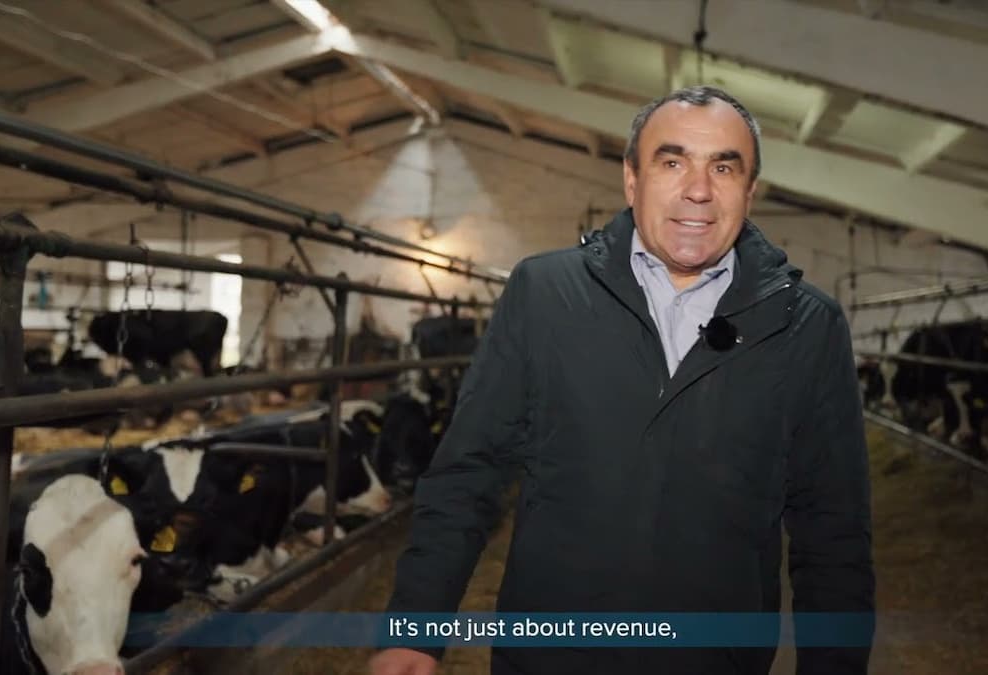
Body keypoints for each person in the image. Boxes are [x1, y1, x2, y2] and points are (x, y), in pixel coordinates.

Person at [369, 85, 875, 675]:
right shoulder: (545, 294)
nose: (698, 189)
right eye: (672, 162)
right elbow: (468, 471)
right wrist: (415, 626)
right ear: (632, 180)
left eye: (724, 167)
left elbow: (833, 530)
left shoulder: (805, 326)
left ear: (750, 191)